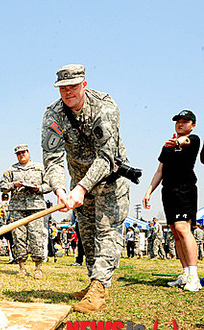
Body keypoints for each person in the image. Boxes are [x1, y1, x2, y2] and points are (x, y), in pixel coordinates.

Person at [41, 64, 130, 313]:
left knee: (107, 231)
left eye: (73, 86)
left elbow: (106, 156)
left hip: (109, 179)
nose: (68, 92)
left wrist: (81, 188)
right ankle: (95, 282)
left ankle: (100, 287)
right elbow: (53, 157)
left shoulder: (105, 106)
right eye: (62, 88)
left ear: (84, 85)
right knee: (88, 234)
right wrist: (59, 189)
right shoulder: (53, 115)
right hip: (78, 182)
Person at [143, 109, 201, 291]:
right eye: (178, 121)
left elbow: (186, 141)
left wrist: (179, 141)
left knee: (184, 228)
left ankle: (194, 276)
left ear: (192, 125)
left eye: (185, 121)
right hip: (168, 192)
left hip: (185, 190)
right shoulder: (167, 146)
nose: (180, 124)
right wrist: (148, 191)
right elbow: (160, 171)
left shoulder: (194, 139)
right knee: (175, 232)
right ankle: (185, 274)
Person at [0, 144, 51, 279]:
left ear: (28, 152)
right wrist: (13, 185)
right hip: (17, 208)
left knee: (36, 237)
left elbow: (49, 185)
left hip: (36, 208)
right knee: (18, 238)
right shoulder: (11, 170)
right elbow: (2, 186)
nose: (22, 155)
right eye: (19, 153)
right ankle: (22, 267)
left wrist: (37, 188)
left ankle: (38, 268)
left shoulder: (39, 168)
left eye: (24, 152)